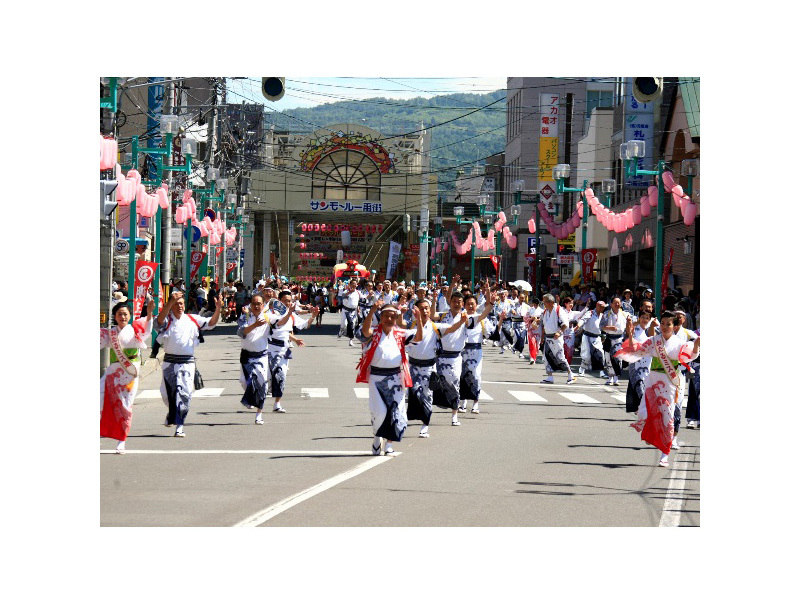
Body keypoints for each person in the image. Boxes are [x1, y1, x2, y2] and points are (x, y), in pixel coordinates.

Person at [615, 311, 700, 467]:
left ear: (674, 326)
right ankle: (652, 434)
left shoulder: (679, 343)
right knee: (645, 412)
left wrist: (695, 346)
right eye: (663, 323)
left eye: (669, 324)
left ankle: (664, 454)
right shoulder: (654, 340)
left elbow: (690, 355)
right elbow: (636, 349)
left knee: (668, 417)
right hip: (653, 380)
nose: (665, 326)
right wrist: (630, 333)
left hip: (671, 382)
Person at [357, 302, 423, 455]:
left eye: (392, 316)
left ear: (396, 318)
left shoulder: (400, 334)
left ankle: (389, 445)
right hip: (376, 377)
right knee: (379, 412)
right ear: (380, 317)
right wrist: (373, 309)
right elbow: (365, 331)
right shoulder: (374, 332)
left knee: (395, 411)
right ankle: (377, 437)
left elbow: (418, 338)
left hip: (395, 377)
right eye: (385, 315)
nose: (388, 319)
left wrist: (418, 320)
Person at [155, 290, 221, 437]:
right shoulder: (167, 320)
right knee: (167, 394)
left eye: (181, 303)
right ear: (171, 305)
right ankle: (172, 413)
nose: (179, 306)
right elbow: (158, 322)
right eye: (176, 304)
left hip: (187, 362)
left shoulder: (192, 319)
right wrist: (170, 302)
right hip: (169, 362)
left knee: (184, 394)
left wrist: (218, 309)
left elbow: (211, 323)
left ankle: (180, 425)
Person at [100, 298, 155, 453]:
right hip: (112, 373)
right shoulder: (110, 333)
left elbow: (148, 330)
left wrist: (149, 313)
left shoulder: (136, 331)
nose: (122, 317)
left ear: (130, 316)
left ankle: (121, 440)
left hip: (129, 375)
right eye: (119, 314)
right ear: (114, 316)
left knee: (124, 407)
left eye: (125, 314)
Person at [265, 290, 318, 413]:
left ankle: (277, 403)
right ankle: (257, 398)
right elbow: (279, 325)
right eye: (285, 301)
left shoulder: (291, 315)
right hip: (270, 349)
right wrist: (289, 313)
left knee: (281, 376)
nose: (288, 303)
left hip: (284, 349)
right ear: (279, 301)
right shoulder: (271, 313)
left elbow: (304, 325)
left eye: (289, 301)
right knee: (266, 377)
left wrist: (313, 317)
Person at [432, 291, 471, 426]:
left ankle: (454, 414)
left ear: (462, 304)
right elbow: (432, 316)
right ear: (450, 301)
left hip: (455, 357)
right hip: (441, 356)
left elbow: (478, 319)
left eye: (459, 302)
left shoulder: (465, 317)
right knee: (438, 383)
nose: (456, 304)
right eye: (454, 301)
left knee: (454, 384)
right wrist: (433, 300)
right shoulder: (443, 315)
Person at [458, 291, 496, 414]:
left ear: (476, 305)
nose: (470, 306)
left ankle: (475, 402)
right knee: (462, 375)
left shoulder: (480, 318)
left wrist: (491, 302)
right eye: (468, 304)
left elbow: (486, 314)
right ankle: (463, 402)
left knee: (475, 376)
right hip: (462, 350)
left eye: (472, 304)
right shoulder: (460, 317)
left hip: (476, 350)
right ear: (464, 304)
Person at [539, 294, 576, 384]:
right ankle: (550, 376)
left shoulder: (558, 310)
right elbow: (542, 323)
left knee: (560, 357)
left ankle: (571, 374)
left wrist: (559, 332)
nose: (544, 304)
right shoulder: (545, 311)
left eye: (545, 302)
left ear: (551, 302)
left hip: (556, 337)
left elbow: (565, 324)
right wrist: (542, 337)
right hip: (548, 337)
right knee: (547, 357)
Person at [600, 296, 633, 386]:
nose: (617, 304)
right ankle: (610, 377)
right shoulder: (606, 314)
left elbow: (630, 326)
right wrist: (609, 328)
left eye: (619, 303)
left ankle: (616, 378)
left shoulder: (625, 314)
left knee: (618, 359)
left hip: (619, 338)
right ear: (611, 304)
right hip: (609, 337)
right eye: (615, 303)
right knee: (608, 359)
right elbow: (601, 326)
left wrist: (629, 323)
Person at [624, 310, 653, 414]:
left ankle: (640, 407)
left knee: (645, 384)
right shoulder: (635, 329)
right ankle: (643, 408)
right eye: (643, 317)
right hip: (636, 361)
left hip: (647, 362)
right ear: (639, 318)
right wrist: (629, 323)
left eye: (647, 318)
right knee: (638, 384)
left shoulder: (652, 329)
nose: (645, 320)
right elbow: (628, 333)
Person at [577, 300, 608, 377]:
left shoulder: (602, 315)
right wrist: (578, 325)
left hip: (597, 337)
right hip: (587, 336)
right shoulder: (590, 313)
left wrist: (604, 335)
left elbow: (604, 326)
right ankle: (582, 369)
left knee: (600, 354)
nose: (602, 308)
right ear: (597, 305)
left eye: (603, 307)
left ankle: (601, 372)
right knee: (587, 355)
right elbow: (583, 320)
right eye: (601, 307)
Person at [338, 279, 360, 345]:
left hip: (353, 311)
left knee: (352, 325)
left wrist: (358, 308)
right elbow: (343, 296)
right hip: (346, 310)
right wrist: (350, 292)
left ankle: (351, 339)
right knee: (344, 324)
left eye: (355, 284)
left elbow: (360, 300)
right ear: (350, 285)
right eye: (352, 283)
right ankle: (341, 330)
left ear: (357, 285)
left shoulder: (358, 292)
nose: (354, 285)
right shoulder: (346, 291)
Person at [524, 297, 544, 365]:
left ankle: (534, 357)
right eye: (534, 303)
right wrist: (530, 318)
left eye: (537, 304)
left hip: (538, 329)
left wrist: (538, 320)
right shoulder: (530, 310)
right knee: (532, 343)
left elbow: (543, 320)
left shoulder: (542, 311)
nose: (535, 305)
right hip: (531, 328)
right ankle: (532, 358)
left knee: (537, 345)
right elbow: (525, 318)